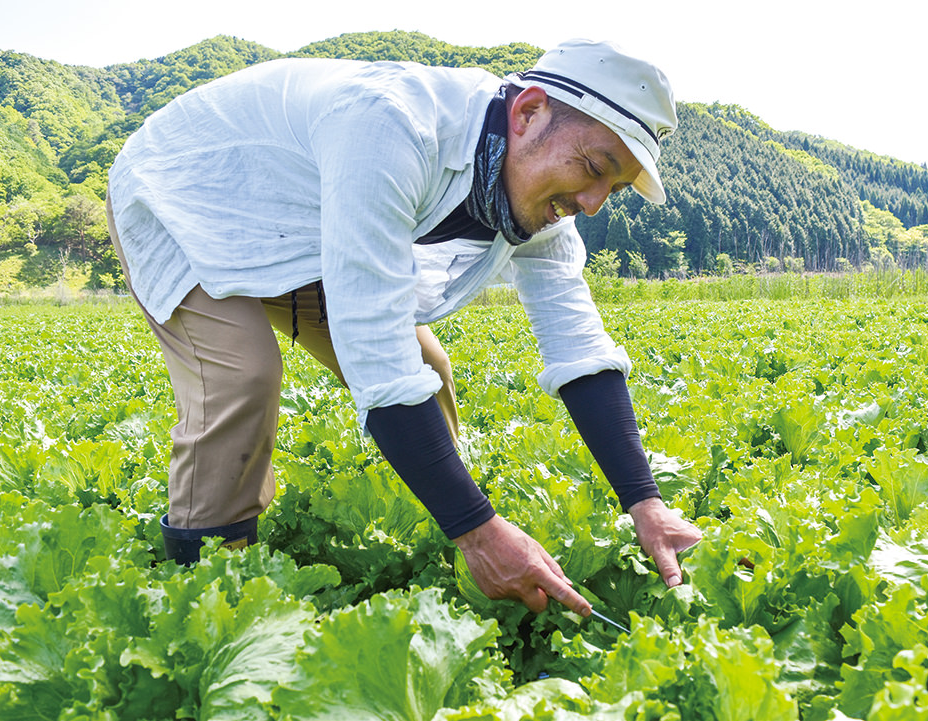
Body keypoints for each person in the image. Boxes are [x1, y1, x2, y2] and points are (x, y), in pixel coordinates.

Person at [106, 38, 702, 617]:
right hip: (187, 194)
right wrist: (478, 531)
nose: (593, 203)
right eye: (593, 167)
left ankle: (442, 538)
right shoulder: (389, 125)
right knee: (241, 378)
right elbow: (380, 363)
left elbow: (578, 345)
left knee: (430, 371)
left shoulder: (536, 189)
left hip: (305, 231)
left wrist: (643, 502)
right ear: (528, 113)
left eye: (613, 188)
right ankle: (204, 596)